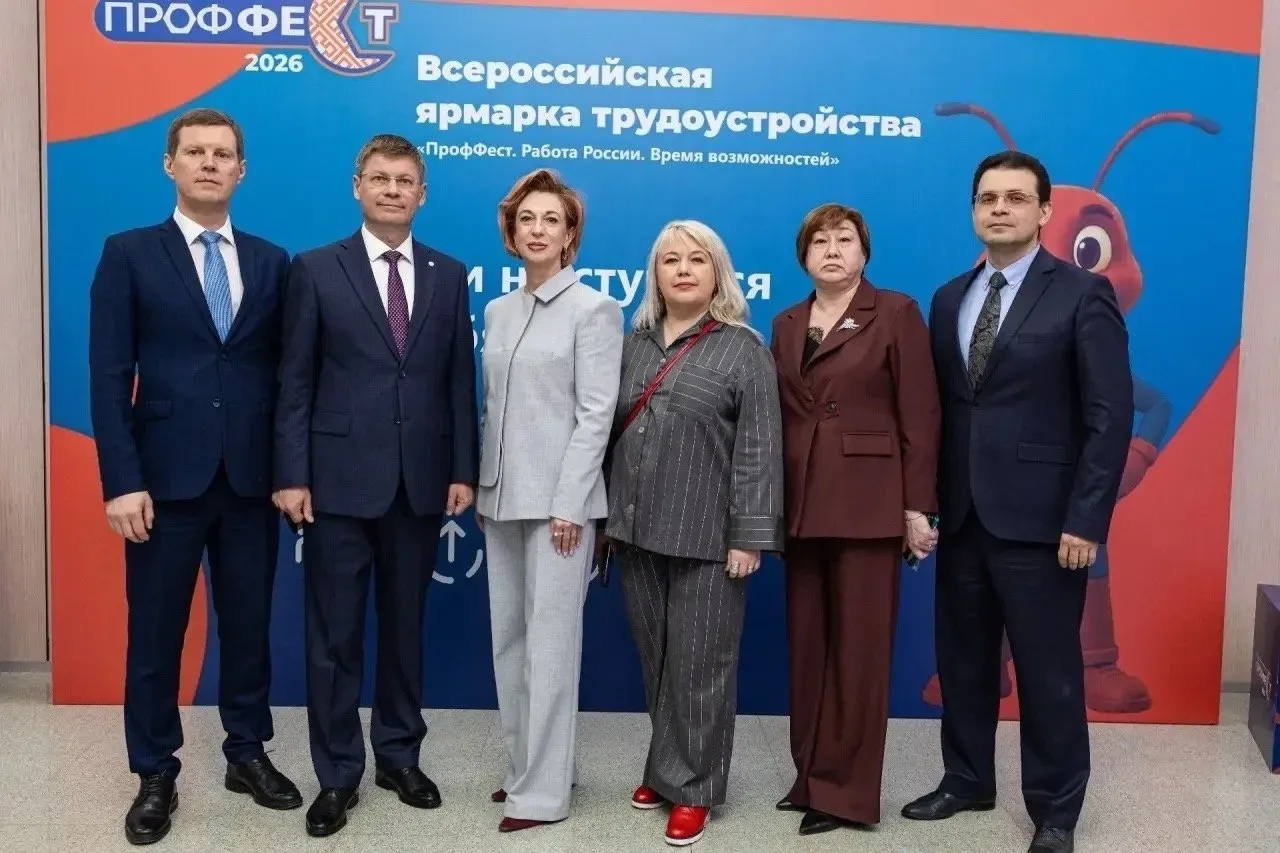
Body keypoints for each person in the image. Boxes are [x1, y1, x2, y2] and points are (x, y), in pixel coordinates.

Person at [902, 150, 1133, 853]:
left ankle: (1056, 810)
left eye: (1015, 197)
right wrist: (925, 505)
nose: (999, 208)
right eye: (987, 198)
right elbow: (939, 412)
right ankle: (967, 779)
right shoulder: (949, 297)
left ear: (1044, 211)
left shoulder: (1082, 293)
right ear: (974, 210)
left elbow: (1109, 415)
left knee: (1047, 671)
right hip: (962, 515)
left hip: (1045, 522)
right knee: (964, 660)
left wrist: (1086, 518)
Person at [88, 107, 302, 846]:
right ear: (170, 165)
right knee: (155, 633)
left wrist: (288, 471)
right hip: (161, 483)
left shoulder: (272, 261)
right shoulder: (129, 253)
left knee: (248, 627)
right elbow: (109, 375)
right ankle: (154, 769)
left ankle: (246, 752)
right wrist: (121, 480)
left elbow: (286, 377)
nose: (209, 163)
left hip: (249, 482)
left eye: (222, 154)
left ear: (241, 170)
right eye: (195, 152)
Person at [273, 133, 479, 838]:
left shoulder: (448, 273)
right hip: (334, 485)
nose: (393, 190)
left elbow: (458, 380)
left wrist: (462, 467)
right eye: (380, 178)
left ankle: (398, 755)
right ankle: (337, 773)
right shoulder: (314, 268)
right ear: (357, 187)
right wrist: (291, 473)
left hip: (418, 484)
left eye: (405, 180)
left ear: (423, 194)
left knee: (404, 631)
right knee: (333, 637)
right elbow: (294, 380)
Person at [600, 219, 785, 847]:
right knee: (657, 657)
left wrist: (749, 536)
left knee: (702, 664)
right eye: (670, 260)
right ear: (654, 275)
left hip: (710, 537)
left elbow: (759, 450)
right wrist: (604, 520)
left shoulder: (744, 350)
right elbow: (606, 435)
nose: (683, 269)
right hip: (635, 529)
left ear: (718, 273)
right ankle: (665, 769)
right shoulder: (633, 345)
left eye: (697, 259)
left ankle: (697, 788)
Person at [770, 203, 940, 835]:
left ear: (864, 252)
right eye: (820, 241)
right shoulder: (786, 323)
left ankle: (846, 794)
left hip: (870, 505)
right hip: (801, 504)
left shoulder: (895, 312)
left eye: (845, 239)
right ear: (804, 256)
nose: (833, 250)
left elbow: (921, 415)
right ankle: (810, 777)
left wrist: (917, 508)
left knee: (860, 656)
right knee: (808, 649)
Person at [476, 167, 624, 832]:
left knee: (552, 648)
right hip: (501, 497)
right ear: (511, 232)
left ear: (570, 236)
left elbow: (596, 415)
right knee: (509, 640)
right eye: (527, 219)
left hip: (562, 505)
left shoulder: (594, 309)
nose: (538, 230)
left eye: (552, 220)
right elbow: (493, 408)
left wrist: (571, 503)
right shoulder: (498, 311)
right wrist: (486, 485)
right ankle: (527, 770)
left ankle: (543, 796)